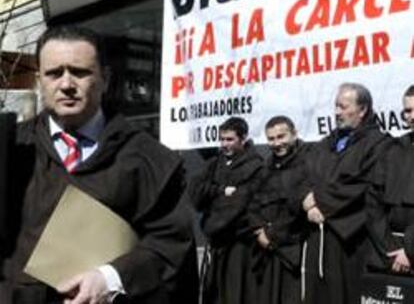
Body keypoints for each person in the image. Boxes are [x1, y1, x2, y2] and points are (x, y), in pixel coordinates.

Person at [2, 26, 198, 304]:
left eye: (80, 72)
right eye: (54, 73)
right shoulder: (11, 149)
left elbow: (171, 244)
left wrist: (111, 278)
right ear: (39, 80)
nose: (67, 84)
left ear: (105, 79)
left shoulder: (151, 160)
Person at [300, 83, 389, 304]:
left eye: (343, 106)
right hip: (318, 236)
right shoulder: (324, 144)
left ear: (363, 109)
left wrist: (320, 201)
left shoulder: (378, 144)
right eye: (336, 106)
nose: (337, 112)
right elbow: (302, 177)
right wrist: (307, 204)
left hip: (349, 240)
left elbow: (362, 184)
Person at [188, 117, 263, 304]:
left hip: (239, 243)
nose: (224, 144)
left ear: (243, 138)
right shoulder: (214, 163)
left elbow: (240, 202)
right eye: (222, 139)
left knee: (237, 291)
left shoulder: (255, 166)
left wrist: (214, 205)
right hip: (217, 243)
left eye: (230, 139)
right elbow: (195, 192)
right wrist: (220, 190)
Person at [248, 116, 310, 304]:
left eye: (281, 136)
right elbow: (252, 202)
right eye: (271, 139)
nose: (276, 143)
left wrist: (272, 234)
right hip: (266, 250)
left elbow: (298, 207)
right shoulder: (265, 167)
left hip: (293, 250)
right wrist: (259, 230)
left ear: (294, 134)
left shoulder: (308, 162)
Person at [366, 85, 414, 275]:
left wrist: (409, 249)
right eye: (408, 111)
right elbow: (373, 202)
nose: (412, 116)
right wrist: (391, 248)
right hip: (388, 256)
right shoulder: (393, 149)